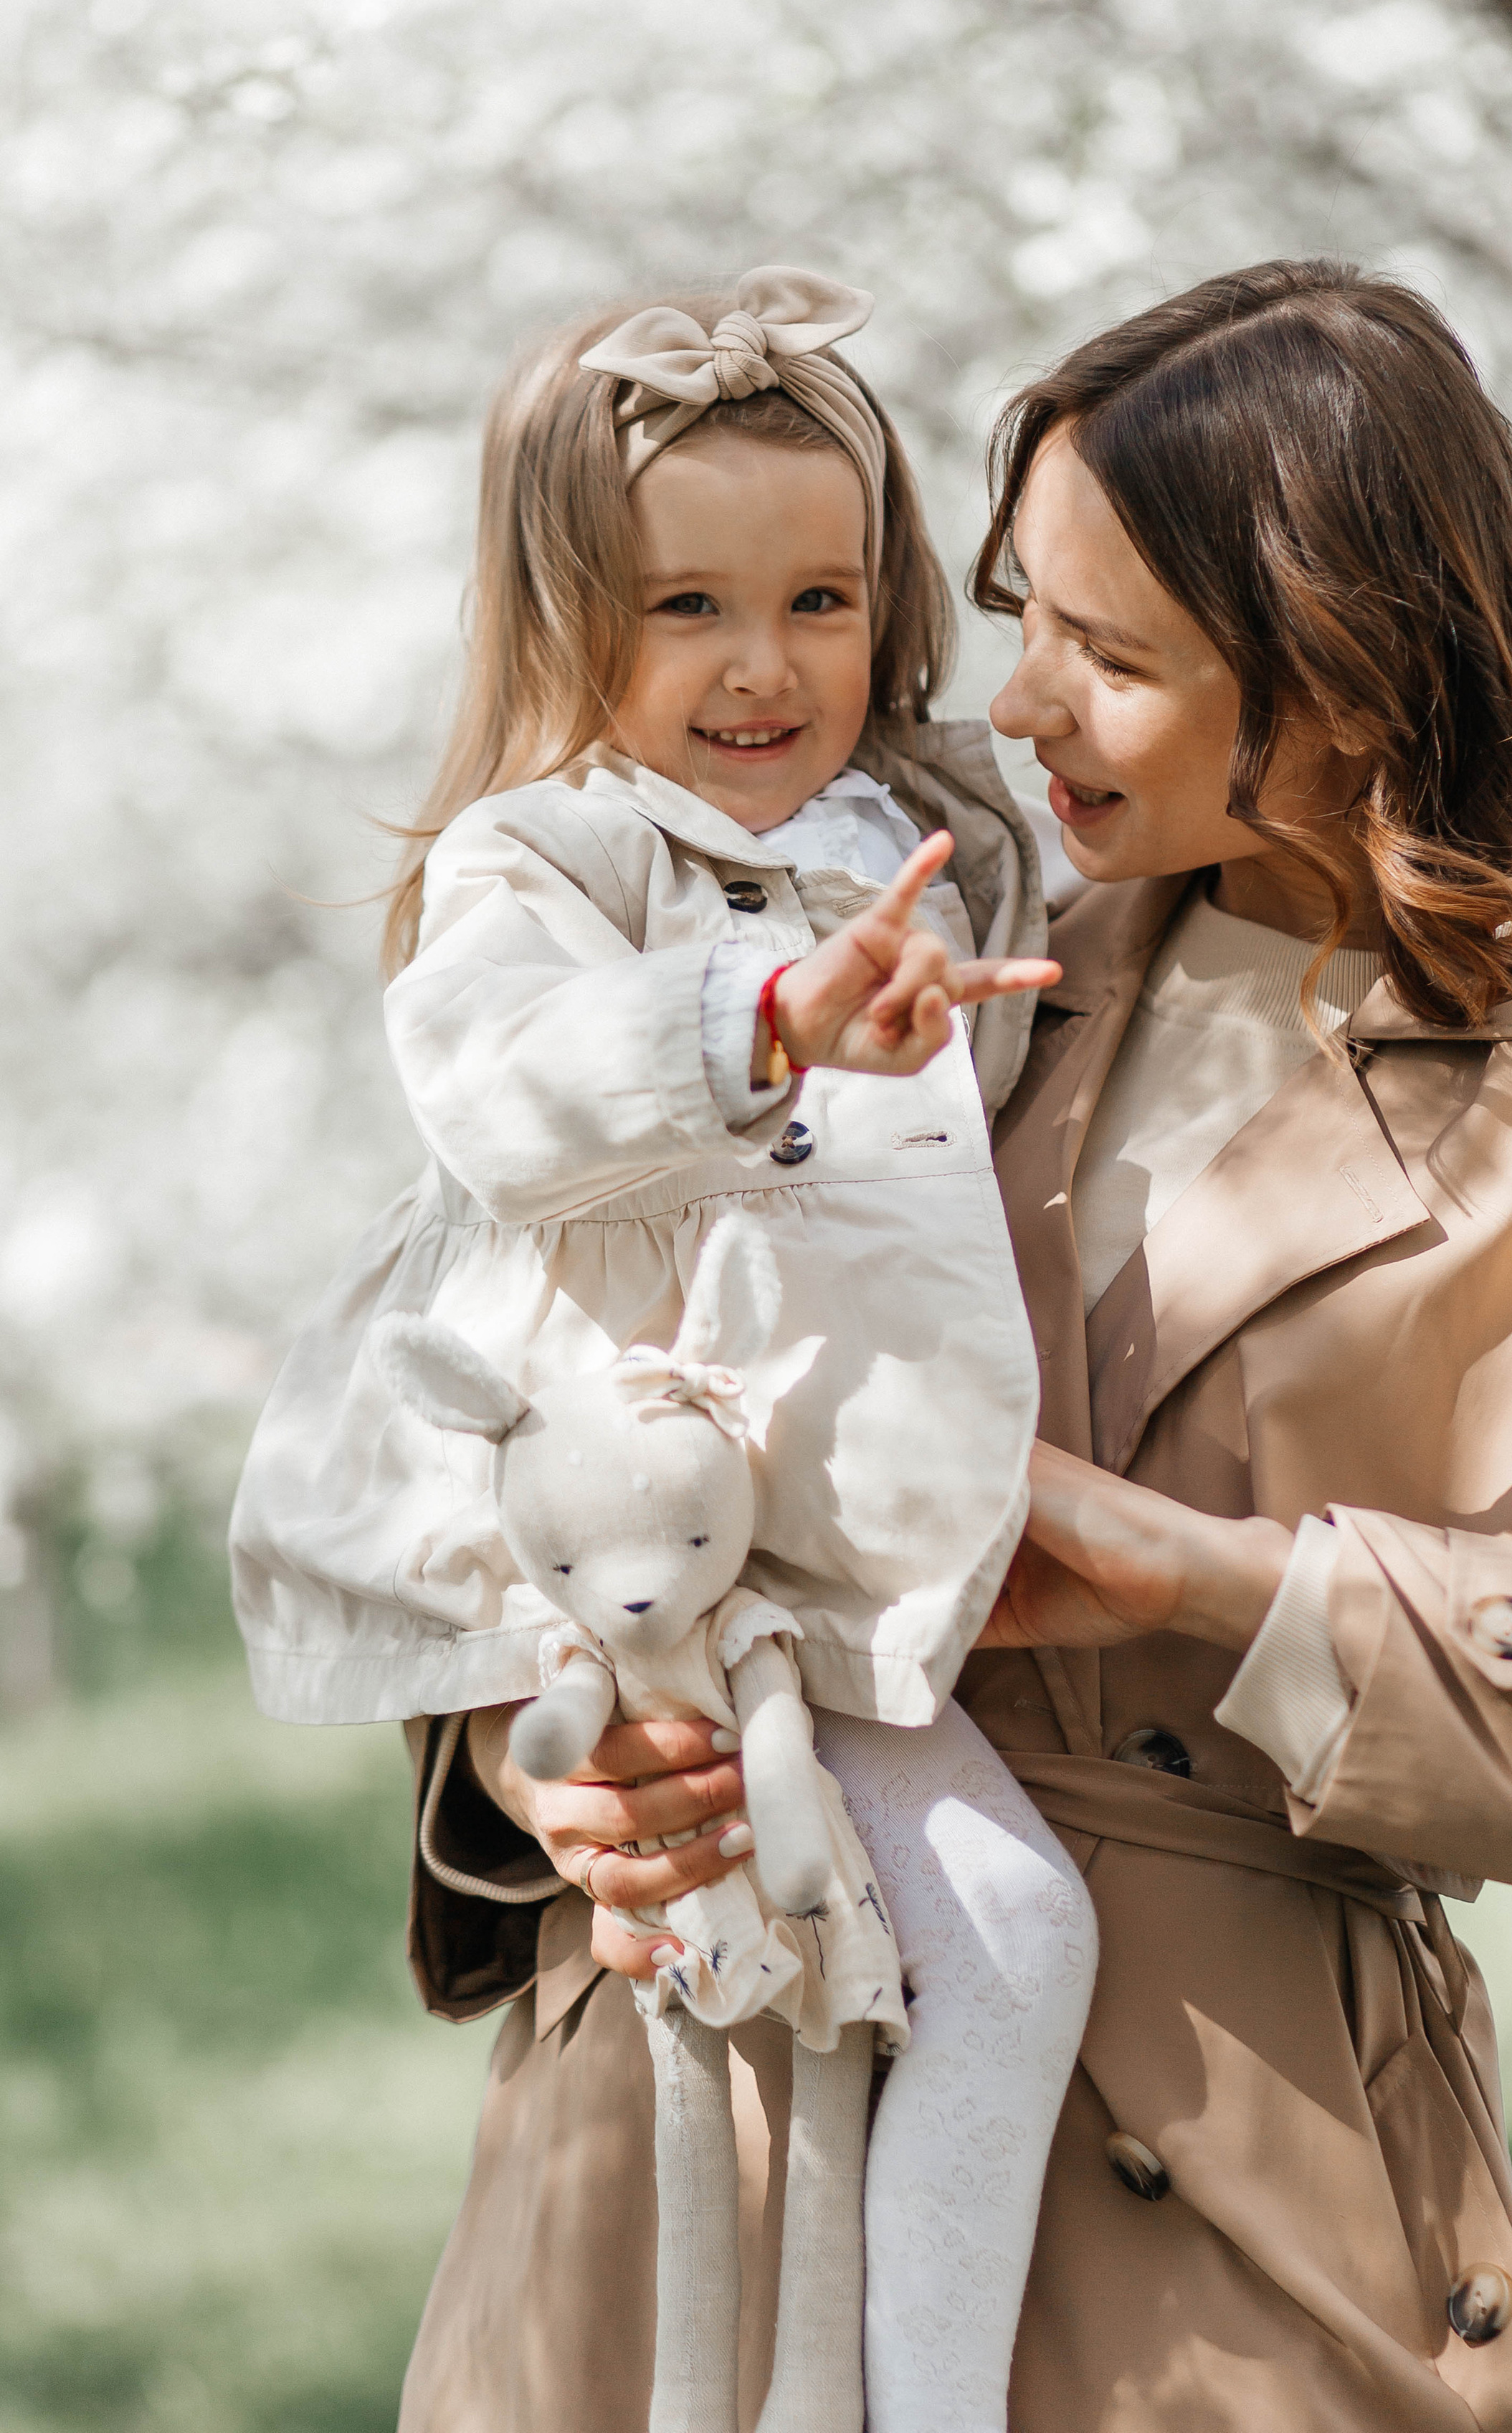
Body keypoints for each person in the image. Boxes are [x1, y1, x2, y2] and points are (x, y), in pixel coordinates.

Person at [508, 255, 1512, 2433]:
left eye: (1109, 654)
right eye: (1021, 609)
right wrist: (554, 1763)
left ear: (1343, 670)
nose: (1017, 711)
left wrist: (1218, 1592)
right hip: (682, 2161)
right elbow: (553, 1406)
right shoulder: (904, 962)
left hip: (1231, 2239)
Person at [229, 266, 1098, 2433]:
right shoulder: (553, 860)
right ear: (558, 621)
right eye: (683, 604)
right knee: (949, 1952)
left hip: (848, 1533)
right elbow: (513, 1082)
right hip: (696, 1565)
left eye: (821, 597)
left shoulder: (918, 832)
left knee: (892, 1982)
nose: (761, 665)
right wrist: (768, 1020)